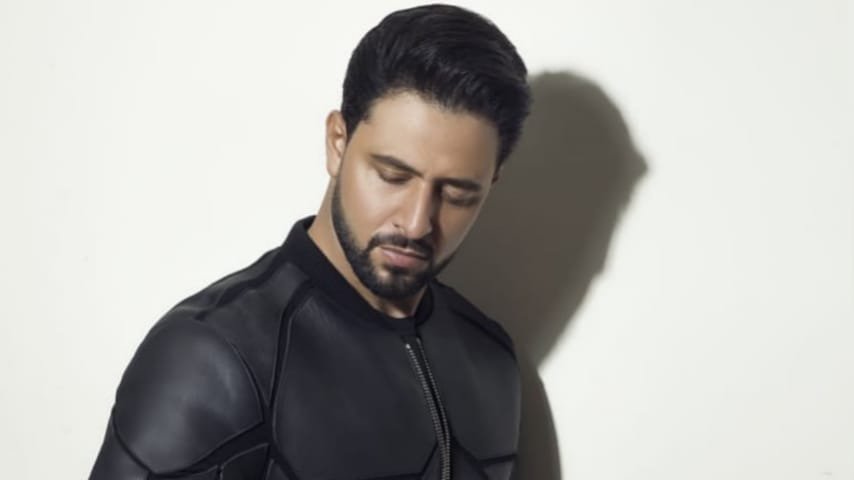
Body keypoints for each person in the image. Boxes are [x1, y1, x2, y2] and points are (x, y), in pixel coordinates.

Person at [89, 4, 530, 480]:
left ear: (491, 184)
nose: (417, 222)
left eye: (458, 194)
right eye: (392, 175)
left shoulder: (491, 360)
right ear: (337, 143)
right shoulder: (212, 357)